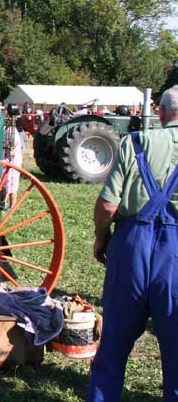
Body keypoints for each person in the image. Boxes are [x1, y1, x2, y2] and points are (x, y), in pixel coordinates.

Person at [87, 85, 178, 401]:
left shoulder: (135, 142)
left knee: (113, 344)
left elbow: (108, 205)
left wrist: (102, 238)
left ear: (162, 113)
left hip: (131, 246)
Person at [1, 114, 23, 211]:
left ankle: (11, 205)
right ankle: (3, 204)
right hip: (4, 158)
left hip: (12, 159)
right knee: (4, 182)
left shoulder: (12, 131)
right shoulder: (4, 130)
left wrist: (11, 151)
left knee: (11, 181)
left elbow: (13, 145)